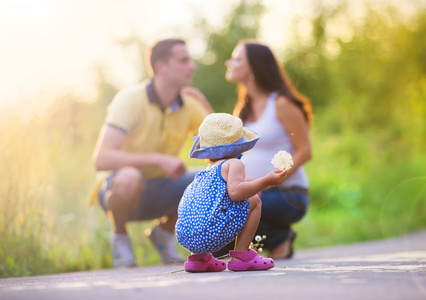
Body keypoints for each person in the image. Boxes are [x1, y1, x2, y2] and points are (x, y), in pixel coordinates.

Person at [91, 38, 213, 268]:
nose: (193, 66)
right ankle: (119, 236)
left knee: (210, 179)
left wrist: (205, 104)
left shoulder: (189, 103)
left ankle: (164, 233)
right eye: (184, 60)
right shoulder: (130, 99)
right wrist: (158, 159)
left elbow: (219, 146)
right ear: (160, 67)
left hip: (163, 187)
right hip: (120, 190)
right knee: (129, 177)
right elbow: (102, 158)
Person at [212, 40, 313, 259]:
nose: (229, 62)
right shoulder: (243, 109)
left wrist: (269, 180)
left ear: (254, 67)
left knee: (234, 212)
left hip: (287, 195)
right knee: (216, 245)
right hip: (253, 190)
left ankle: (277, 237)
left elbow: (305, 151)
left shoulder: (282, 104)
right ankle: (278, 236)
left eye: (237, 58)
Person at [175, 113, 289, 272]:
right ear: (239, 144)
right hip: (210, 233)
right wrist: (266, 181)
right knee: (254, 201)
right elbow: (235, 193)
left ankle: (199, 259)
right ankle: (242, 255)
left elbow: (223, 196)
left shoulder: (207, 171)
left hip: (186, 236)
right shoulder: (234, 163)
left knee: (206, 210)